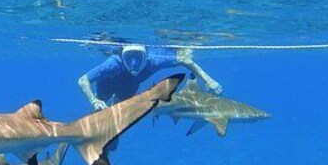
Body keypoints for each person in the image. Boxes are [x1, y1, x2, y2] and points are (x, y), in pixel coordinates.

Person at [78, 44, 222, 112]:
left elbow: (185, 59)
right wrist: (94, 100)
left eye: (138, 57)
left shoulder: (154, 60)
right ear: (122, 56)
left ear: (146, 56)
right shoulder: (113, 63)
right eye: (129, 58)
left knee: (118, 112)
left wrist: (209, 80)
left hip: (130, 86)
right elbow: (83, 80)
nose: (133, 64)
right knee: (98, 109)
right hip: (107, 84)